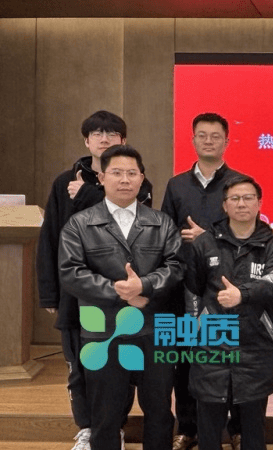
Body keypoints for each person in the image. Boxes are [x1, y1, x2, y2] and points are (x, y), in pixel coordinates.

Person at [36, 110, 151, 450]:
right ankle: (87, 427)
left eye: (111, 133)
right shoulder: (64, 182)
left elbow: (134, 218)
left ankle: (113, 427)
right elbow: (50, 239)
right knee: (81, 365)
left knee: (120, 363)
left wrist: (87, 194)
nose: (104, 139)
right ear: (86, 141)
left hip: (120, 293)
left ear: (123, 140)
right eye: (97, 134)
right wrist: (49, 293)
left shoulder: (136, 180)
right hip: (75, 293)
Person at [59, 145, 182, 450]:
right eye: (116, 173)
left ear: (142, 178)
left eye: (131, 173)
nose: (124, 179)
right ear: (101, 178)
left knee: (159, 412)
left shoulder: (162, 222)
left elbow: (177, 267)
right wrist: (119, 291)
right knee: (105, 415)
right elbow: (71, 272)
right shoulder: (80, 224)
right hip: (103, 331)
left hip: (154, 330)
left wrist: (144, 286)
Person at [161, 112, 245, 450]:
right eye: (202, 135)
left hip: (226, 288)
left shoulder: (239, 184)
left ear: (227, 141)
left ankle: (236, 428)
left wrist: (206, 238)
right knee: (185, 360)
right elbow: (165, 232)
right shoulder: (176, 185)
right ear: (193, 140)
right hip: (185, 289)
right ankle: (188, 427)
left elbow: (247, 231)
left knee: (229, 360)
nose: (208, 141)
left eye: (215, 136)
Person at [184, 175, 273, 450]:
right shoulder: (205, 243)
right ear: (225, 205)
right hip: (211, 348)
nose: (242, 204)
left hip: (256, 348)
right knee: (208, 431)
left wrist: (242, 294)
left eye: (248, 198)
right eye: (235, 199)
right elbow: (193, 290)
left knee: (253, 431)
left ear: (259, 203)